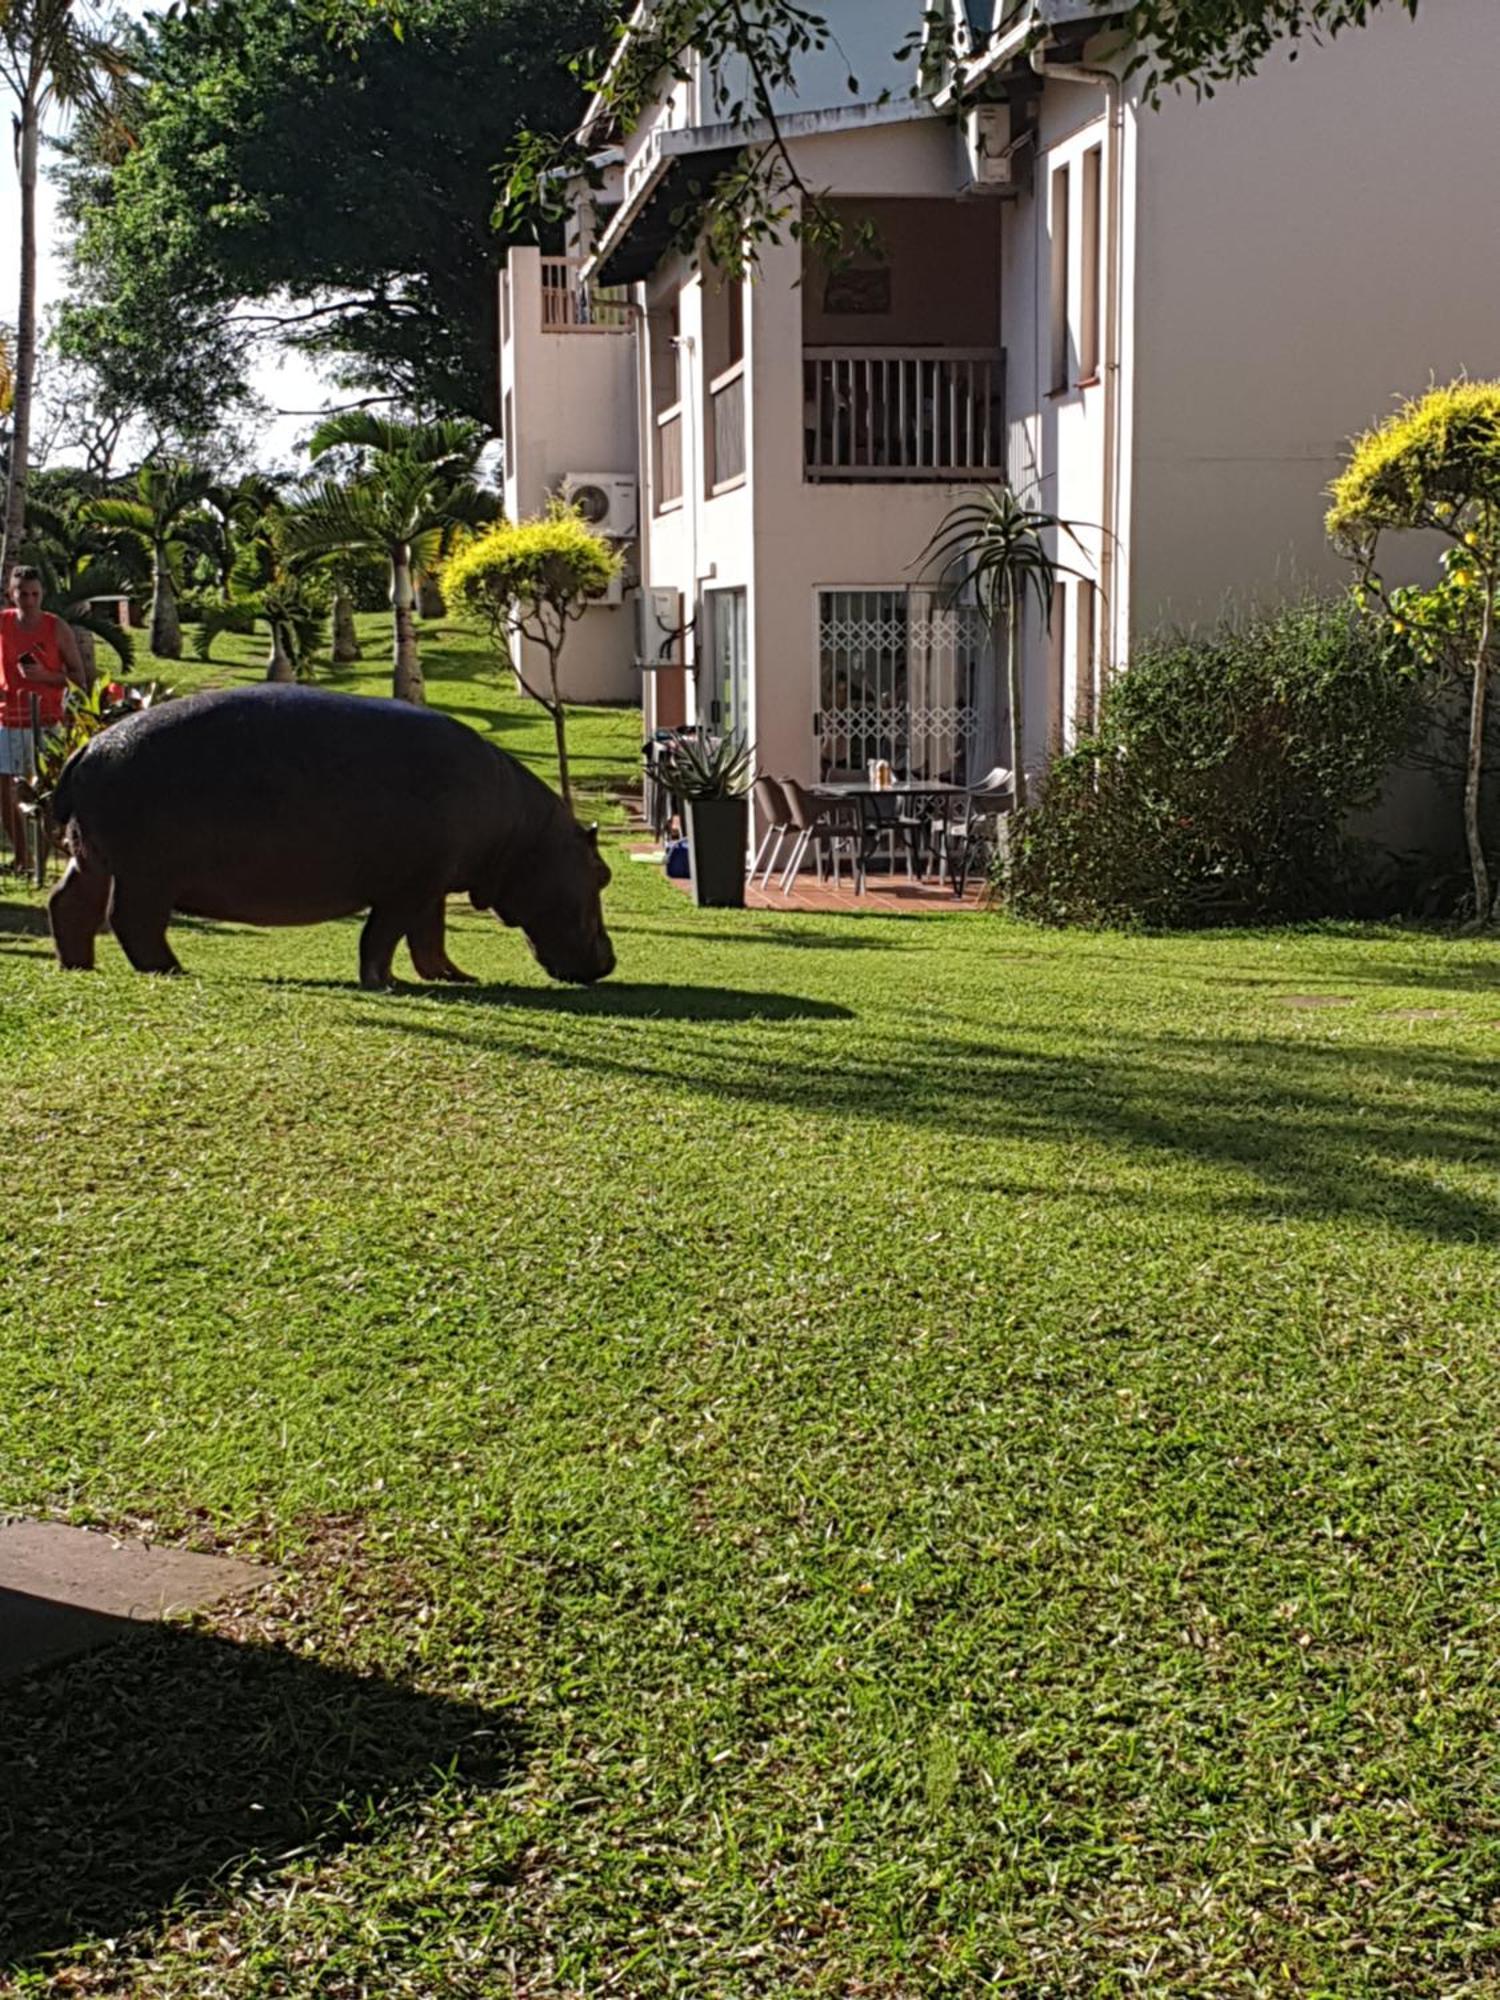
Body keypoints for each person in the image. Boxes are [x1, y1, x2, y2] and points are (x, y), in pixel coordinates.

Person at [0, 566, 87, 870]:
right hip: (10, 717)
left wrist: (46, 676)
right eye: (22, 594)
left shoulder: (55, 628)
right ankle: (22, 856)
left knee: (47, 791)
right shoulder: (4, 623)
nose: (29, 600)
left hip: (47, 719)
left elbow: (78, 676)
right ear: (11, 595)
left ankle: (57, 855)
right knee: (6, 790)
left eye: (34, 594)